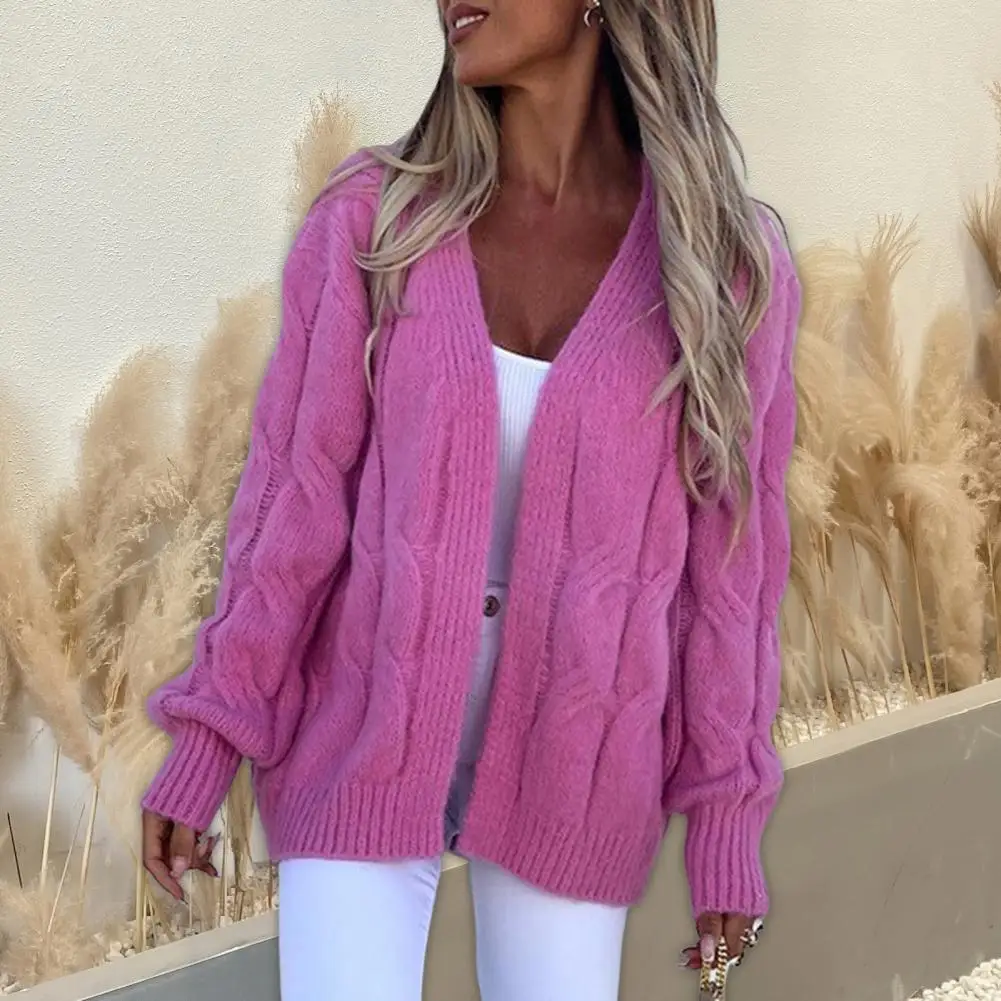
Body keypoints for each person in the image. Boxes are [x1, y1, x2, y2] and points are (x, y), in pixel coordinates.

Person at [140, 0, 801, 998]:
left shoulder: (723, 269)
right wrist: (210, 737)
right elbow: (289, 513)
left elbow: (730, 579)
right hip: (357, 740)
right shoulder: (374, 221)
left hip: (576, 774)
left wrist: (725, 818)